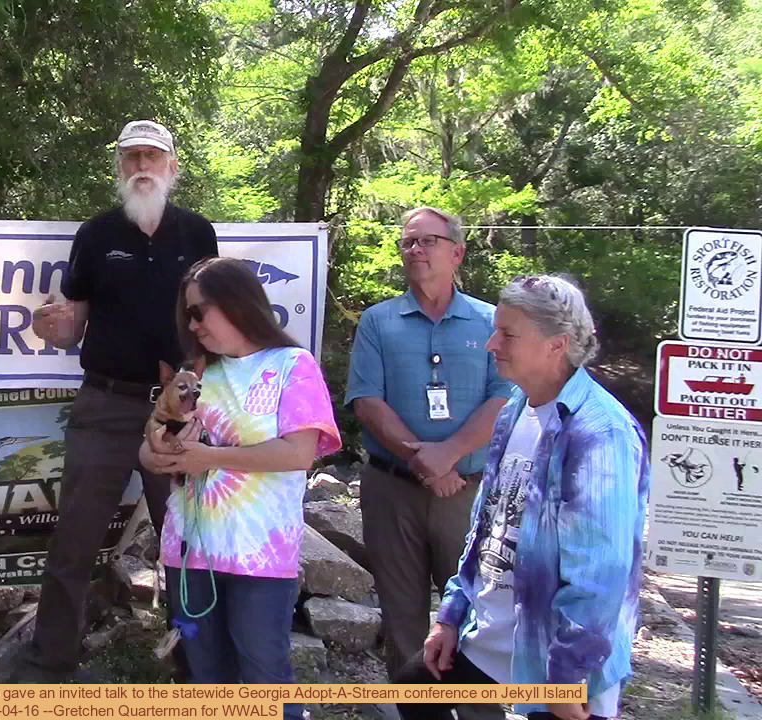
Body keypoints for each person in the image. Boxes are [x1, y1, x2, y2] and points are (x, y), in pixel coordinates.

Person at [393, 274, 650, 720]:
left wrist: (568, 676)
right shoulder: (516, 407)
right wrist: (451, 615)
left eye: (507, 333)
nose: (491, 343)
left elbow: (601, 572)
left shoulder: (599, 432)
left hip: (554, 659)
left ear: (557, 344)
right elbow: (488, 524)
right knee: (413, 694)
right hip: (489, 635)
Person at [22, 120, 218, 681]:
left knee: (185, 539)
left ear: (172, 168)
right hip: (106, 404)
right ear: (118, 168)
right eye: (131, 157)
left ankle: (197, 664)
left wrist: (191, 397)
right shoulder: (96, 233)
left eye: (152, 158)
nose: (141, 167)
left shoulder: (198, 234)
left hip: (176, 410)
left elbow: (209, 327)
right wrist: (49, 327)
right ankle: (48, 664)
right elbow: (69, 330)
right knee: (75, 540)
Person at [140, 257, 340, 720]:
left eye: (198, 312)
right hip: (190, 552)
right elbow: (152, 446)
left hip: (261, 558)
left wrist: (211, 458)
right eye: (187, 315)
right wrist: (156, 453)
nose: (191, 325)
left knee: (264, 678)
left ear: (235, 303)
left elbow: (297, 453)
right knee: (203, 680)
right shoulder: (198, 373)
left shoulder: (294, 364)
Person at [344, 207, 513, 686]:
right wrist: (425, 461)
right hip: (391, 491)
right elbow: (366, 401)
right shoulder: (378, 321)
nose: (416, 250)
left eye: (428, 241)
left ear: (457, 252)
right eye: (408, 242)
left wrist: (449, 455)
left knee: (475, 617)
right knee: (402, 621)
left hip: (468, 493)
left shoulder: (490, 321)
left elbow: (503, 398)